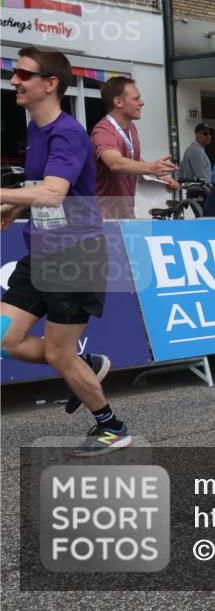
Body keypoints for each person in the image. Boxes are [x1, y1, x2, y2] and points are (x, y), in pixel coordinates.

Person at [0, 47, 129, 456]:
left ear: (50, 83)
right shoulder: (36, 129)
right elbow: (48, 185)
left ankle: (111, 426)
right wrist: (15, 205)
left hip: (76, 256)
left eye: (23, 74)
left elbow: (55, 194)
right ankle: (85, 365)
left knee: (58, 352)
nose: (15, 80)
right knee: (7, 338)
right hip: (40, 251)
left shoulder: (69, 132)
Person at [91, 76, 178, 219]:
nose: (142, 103)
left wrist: (160, 177)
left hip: (125, 216)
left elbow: (133, 160)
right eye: (136, 99)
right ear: (118, 101)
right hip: (103, 220)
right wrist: (151, 167)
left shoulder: (131, 128)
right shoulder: (103, 131)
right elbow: (115, 163)